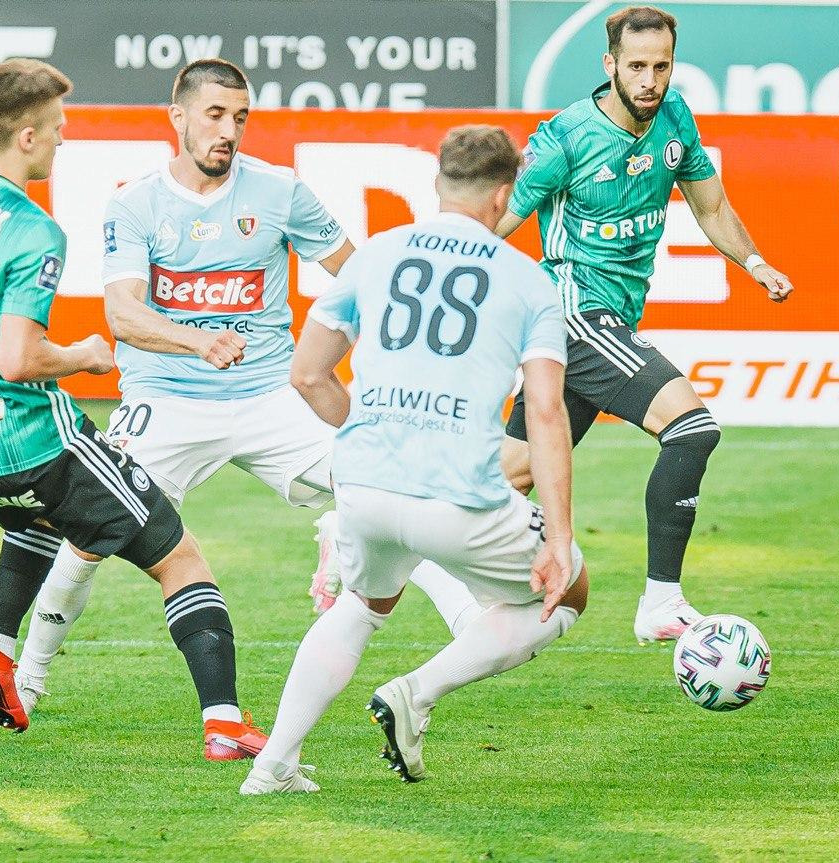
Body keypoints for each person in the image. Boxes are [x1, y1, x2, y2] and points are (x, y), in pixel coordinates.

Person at [15, 59, 481, 722]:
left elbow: (357, 275)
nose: (228, 131)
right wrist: (198, 340)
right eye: (214, 115)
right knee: (91, 533)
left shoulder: (280, 192)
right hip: (167, 400)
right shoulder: (135, 203)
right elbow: (123, 315)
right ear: (177, 116)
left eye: (239, 117)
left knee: (387, 485)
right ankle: (27, 675)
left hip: (269, 395)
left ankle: (465, 617)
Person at [0, 59, 264, 759]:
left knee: (36, 518)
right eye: (59, 128)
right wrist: (86, 355)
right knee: (179, 556)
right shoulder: (33, 230)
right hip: (35, 442)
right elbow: (18, 360)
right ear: (27, 136)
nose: (64, 140)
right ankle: (224, 722)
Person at [241, 125, 589, 795]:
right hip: (458, 492)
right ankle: (417, 691)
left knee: (363, 604)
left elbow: (307, 373)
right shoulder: (528, 281)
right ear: (505, 195)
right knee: (569, 590)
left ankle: (273, 764)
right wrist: (560, 537)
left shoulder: (376, 255)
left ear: (437, 184)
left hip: (363, 485)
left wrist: (367, 430)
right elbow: (547, 412)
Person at [496, 6, 794, 644]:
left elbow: (711, 206)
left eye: (661, 66)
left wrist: (756, 262)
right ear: (610, 65)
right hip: (574, 313)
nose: (650, 80)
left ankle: (370, 535)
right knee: (691, 429)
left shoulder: (675, 116)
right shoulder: (564, 138)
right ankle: (661, 601)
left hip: (608, 317)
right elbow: (493, 224)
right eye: (636, 66)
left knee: (509, 476)